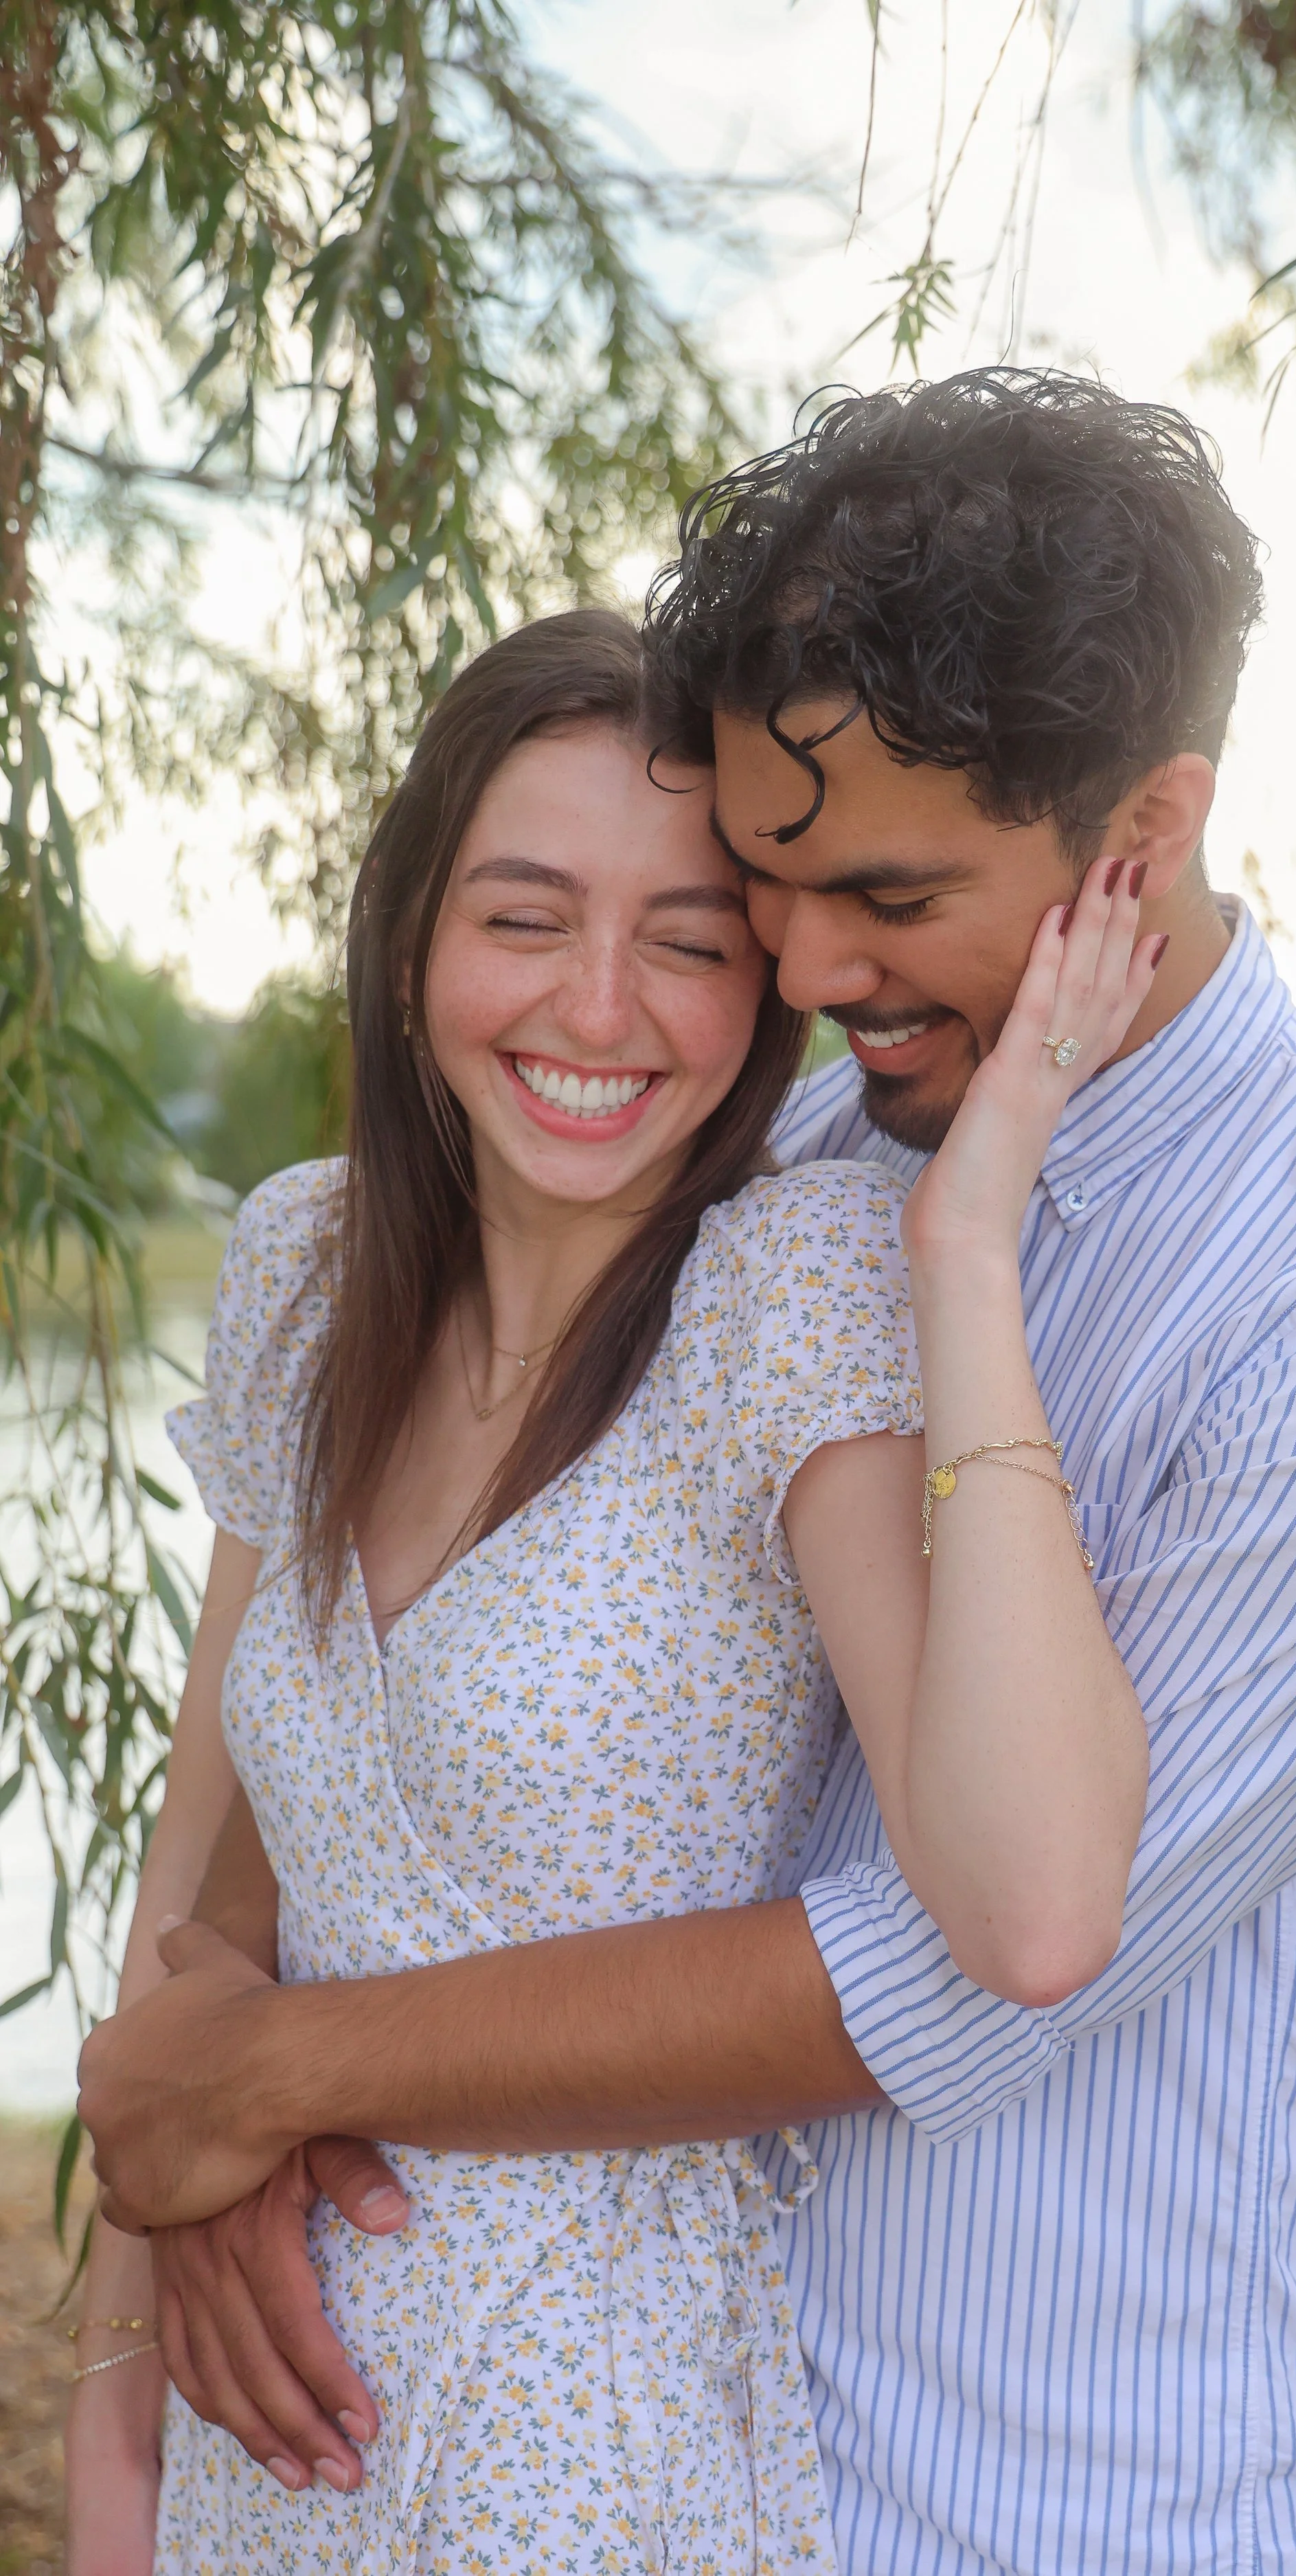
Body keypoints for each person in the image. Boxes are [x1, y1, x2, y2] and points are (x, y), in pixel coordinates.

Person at [79, 372, 1296, 2576]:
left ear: (1136, 841)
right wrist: (208, 2171)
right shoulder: (765, 1150)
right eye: (760, 893)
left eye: (876, 894)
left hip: (1085, 2498)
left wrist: (272, 2076)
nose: (790, 972)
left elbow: (968, 1955)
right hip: (661, 2428)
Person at [67, 597, 1161, 2573]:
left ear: (760, 999)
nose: (599, 1007)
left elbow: (1031, 1897)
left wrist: (968, 1239)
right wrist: (119, 2387)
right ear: (408, 945)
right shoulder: (304, 1272)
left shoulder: (789, 1293)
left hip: (581, 2440)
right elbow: (203, 1885)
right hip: (266, 2442)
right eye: (523, 915)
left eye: (687, 941)